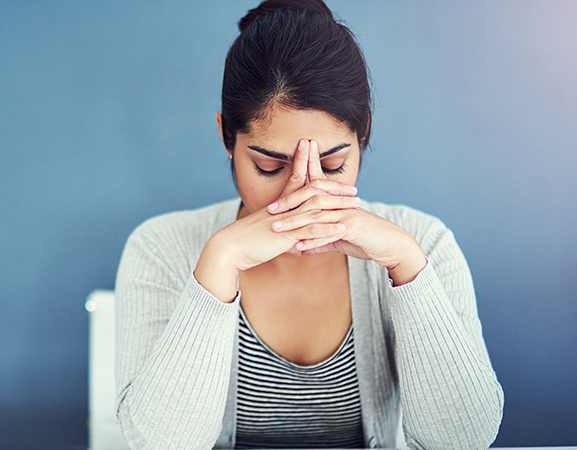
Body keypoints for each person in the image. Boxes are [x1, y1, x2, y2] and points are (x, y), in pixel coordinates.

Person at [114, 1, 504, 448]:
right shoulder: (160, 247)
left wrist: (408, 267)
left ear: (364, 136)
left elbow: (463, 440)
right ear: (226, 137)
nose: (303, 192)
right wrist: (219, 265)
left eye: (333, 164)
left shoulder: (424, 242)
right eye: (268, 167)